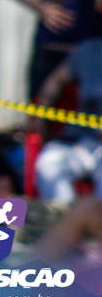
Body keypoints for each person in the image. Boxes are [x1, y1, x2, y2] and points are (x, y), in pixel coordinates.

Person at [29, 37, 102, 203]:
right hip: (77, 142)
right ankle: (63, 223)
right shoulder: (88, 50)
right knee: (49, 164)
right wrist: (40, 113)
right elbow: (56, 81)